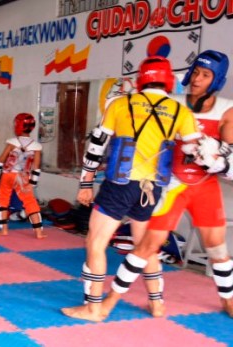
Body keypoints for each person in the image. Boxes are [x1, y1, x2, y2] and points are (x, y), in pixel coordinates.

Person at [62, 56, 200, 322]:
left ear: (140, 80)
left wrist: (86, 183)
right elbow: (196, 154)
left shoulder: (120, 103)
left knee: (95, 242)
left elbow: (96, 146)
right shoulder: (181, 111)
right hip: (153, 189)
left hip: (120, 184)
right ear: (168, 81)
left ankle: (93, 308)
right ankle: (157, 304)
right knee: (145, 246)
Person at [100, 50, 233, 319]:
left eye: (205, 75)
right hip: (171, 185)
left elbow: (230, 161)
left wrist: (217, 160)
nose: (197, 79)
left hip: (205, 187)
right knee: (147, 246)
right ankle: (110, 301)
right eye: (195, 72)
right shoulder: (170, 103)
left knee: (218, 249)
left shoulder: (227, 111)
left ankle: (228, 300)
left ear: (217, 79)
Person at [0, 113, 46, 239]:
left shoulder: (12, 143)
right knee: (30, 201)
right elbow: (36, 166)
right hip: (23, 177)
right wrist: (33, 182)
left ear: (17, 126)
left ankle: (4, 230)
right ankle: (39, 232)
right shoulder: (36, 146)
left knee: (3, 200)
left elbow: (1, 159)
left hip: (8, 175)